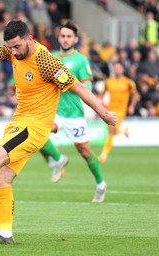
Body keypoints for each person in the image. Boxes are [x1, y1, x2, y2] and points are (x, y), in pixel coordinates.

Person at [0, 20, 117, 245]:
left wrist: (104, 114)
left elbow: (79, 87)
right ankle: (5, 234)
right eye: (10, 47)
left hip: (33, 126)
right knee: (1, 178)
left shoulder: (46, 62)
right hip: (22, 122)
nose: (13, 52)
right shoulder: (13, 51)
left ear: (30, 39)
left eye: (17, 46)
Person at [39, 21, 107, 202]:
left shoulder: (80, 60)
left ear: (75, 39)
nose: (66, 39)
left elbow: (88, 85)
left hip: (74, 112)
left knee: (85, 152)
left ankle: (100, 184)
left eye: (69, 36)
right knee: (37, 134)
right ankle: (58, 159)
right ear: (58, 38)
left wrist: (72, 86)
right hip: (54, 108)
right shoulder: (50, 57)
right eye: (63, 36)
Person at [99, 62, 139, 164]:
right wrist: (100, 104)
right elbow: (102, 94)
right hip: (110, 110)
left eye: (119, 68)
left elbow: (135, 95)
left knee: (111, 130)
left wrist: (132, 106)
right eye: (115, 68)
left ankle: (103, 155)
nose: (117, 70)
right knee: (111, 132)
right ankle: (123, 131)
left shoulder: (128, 82)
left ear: (122, 69)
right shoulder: (108, 81)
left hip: (121, 111)